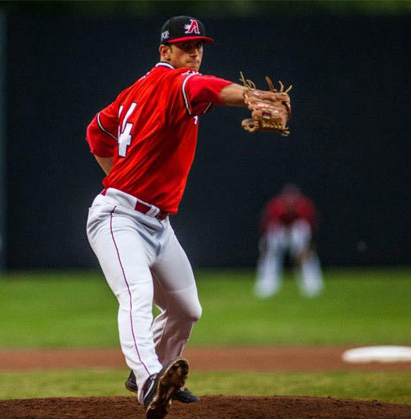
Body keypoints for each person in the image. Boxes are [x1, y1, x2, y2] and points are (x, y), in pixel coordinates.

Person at [85, 16, 269, 419]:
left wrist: (117, 170)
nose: (195, 52)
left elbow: (97, 131)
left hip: (157, 223)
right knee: (135, 293)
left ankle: (153, 370)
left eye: (199, 45)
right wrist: (250, 96)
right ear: (164, 52)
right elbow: (208, 87)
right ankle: (150, 379)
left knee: (187, 310)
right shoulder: (175, 81)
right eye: (186, 46)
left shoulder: (134, 91)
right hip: (118, 217)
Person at [254, 184, 324, 299]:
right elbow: (266, 226)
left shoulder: (304, 206)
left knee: (305, 252)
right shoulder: (275, 205)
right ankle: (267, 285)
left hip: (297, 233)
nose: (290, 202)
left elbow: (310, 226)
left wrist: (307, 246)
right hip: (279, 233)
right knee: (270, 253)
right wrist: (266, 245)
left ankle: (312, 285)